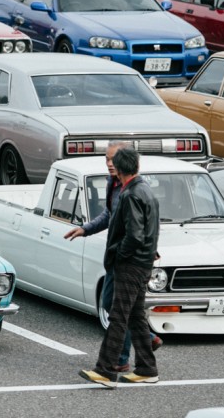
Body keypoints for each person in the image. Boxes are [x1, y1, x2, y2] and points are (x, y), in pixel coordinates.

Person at [65, 142, 161, 373]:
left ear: (121, 165)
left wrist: (122, 254)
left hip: (128, 262)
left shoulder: (133, 192)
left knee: (118, 316)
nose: (109, 164)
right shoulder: (122, 187)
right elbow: (113, 216)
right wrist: (86, 228)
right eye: (106, 159)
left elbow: (136, 233)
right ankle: (147, 365)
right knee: (130, 313)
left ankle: (109, 367)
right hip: (133, 260)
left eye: (113, 160)